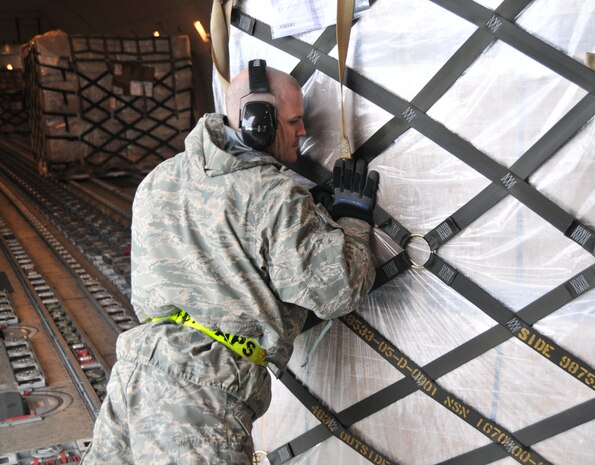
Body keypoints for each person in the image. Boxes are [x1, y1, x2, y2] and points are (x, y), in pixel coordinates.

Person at [81, 60, 379, 465]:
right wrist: (353, 221)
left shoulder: (160, 177)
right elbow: (338, 291)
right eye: (294, 122)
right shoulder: (273, 196)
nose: (304, 131)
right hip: (198, 405)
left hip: (133, 376)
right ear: (260, 123)